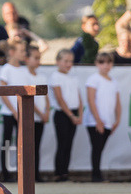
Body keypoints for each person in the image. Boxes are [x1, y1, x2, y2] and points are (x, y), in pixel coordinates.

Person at [84, 51, 121, 182]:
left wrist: (117, 119)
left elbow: (117, 102)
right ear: (97, 64)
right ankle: (96, 174)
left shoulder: (114, 82)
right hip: (94, 121)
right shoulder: (93, 79)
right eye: (102, 62)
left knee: (100, 148)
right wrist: (98, 120)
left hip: (108, 121)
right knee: (97, 148)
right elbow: (91, 100)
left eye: (108, 62)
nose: (105, 65)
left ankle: (97, 173)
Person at [0, 37, 29, 182]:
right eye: (21, 51)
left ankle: (21, 172)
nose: (24, 53)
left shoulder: (23, 70)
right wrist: (14, 110)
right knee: (7, 141)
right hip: (9, 112)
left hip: (21, 111)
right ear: (12, 52)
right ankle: (5, 173)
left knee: (22, 143)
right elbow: (3, 93)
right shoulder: (6, 69)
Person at [49, 48, 83, 182]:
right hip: (62, 114)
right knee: (62, 143)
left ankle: (65, 172)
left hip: (73, 113)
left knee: (69, 144)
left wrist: (79, 114)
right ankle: (59, 172)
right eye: (66, 61)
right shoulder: (55, 77)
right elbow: (59, 99)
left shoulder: (73, 78)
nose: (69, 64)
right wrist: (71, 116)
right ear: (58, 61)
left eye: (71, 61)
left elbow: (79, 97)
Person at [24, 44, 49, 180]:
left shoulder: (42, 77)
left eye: (39, 58)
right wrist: (40, 113)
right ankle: (26, 175)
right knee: (27, 147)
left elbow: (46, 97)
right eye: (35, 58)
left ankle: (35, 174)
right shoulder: (24, 76)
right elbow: (28, 98)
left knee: (36, 146)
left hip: (40, 117)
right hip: (30, 116)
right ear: (27, 58)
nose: (38, 61)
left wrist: (46, 112)